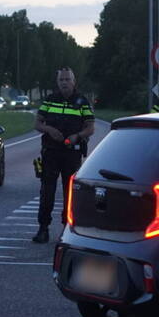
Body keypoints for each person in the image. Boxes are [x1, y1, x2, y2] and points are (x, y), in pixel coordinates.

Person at [32, 67, 95, 243]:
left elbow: (90, 128)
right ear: (57, 82)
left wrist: (77, 136)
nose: (64, 83)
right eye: (61, 80)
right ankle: (43, 228)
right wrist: (49, 129)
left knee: (70, 193)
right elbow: (37, 123)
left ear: (74, 81)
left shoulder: (82, 101)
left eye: (67, 79)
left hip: (72, 153)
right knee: (47, 191)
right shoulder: (50, 100)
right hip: (51, 152)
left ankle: (67, 229)